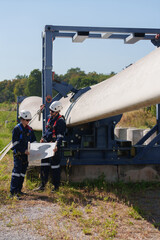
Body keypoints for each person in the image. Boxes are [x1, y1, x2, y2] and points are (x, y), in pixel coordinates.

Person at [35, 101, 66, 192]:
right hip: (46, 145)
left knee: (55, 167)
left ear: (57, 112)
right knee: (44, 165)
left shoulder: (60, 121)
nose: (50, 112)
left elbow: (60, 135)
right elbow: (46, 131)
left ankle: (55, 187)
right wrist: (42, 138)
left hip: (54, 147)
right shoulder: (49, 118)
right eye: (50, 110)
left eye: (52, 111)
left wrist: (56, 145)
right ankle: (42, 185)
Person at [10, 110, 36, 198]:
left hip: (26, 155)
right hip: (19, 154)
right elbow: (15, 143)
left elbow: (33, 140)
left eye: (29, 120)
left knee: (22, 173)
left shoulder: (30, 129)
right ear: (22, 119)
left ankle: (19, 190)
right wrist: (23, 150)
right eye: (26, 120)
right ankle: (13, 192)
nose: (28, 122)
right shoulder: (17, 129)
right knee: (16, 173)